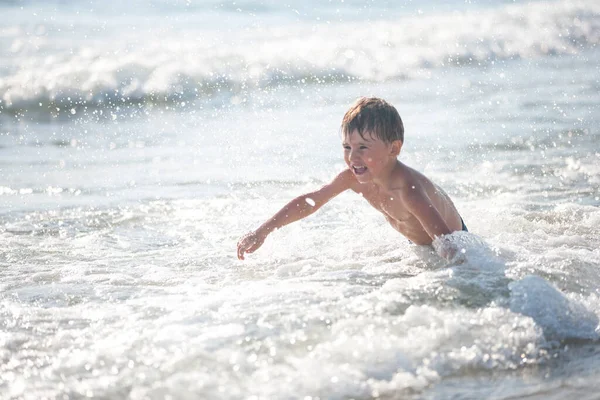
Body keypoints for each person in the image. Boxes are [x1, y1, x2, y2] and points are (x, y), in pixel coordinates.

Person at [237, 97, 468, 261]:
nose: (353, 156)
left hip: (454, 243)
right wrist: (262, 231)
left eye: (363, 147)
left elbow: (451, 247)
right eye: (347, 146)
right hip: (420, 246)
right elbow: (310, 201)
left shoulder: (408, 190)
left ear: (393, 149)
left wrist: (472, 280)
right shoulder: (354, 179)